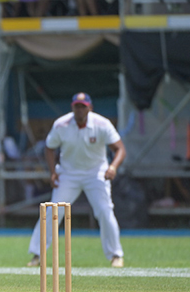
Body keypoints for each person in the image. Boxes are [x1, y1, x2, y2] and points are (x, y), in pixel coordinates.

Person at [26, 93, 126, 268]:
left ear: (90, 108)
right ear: (72, 107)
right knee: (53, 210)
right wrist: (53, 172)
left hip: (96, 173)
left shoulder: (102, 124)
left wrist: (113, 167)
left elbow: (120, 149)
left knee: (104, 210)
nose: (80, 110)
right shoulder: (61, 124)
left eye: (83, 107)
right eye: (77, 106)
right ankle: (37, 254)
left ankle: (116, 255)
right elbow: (49, 148)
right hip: (68, 174)